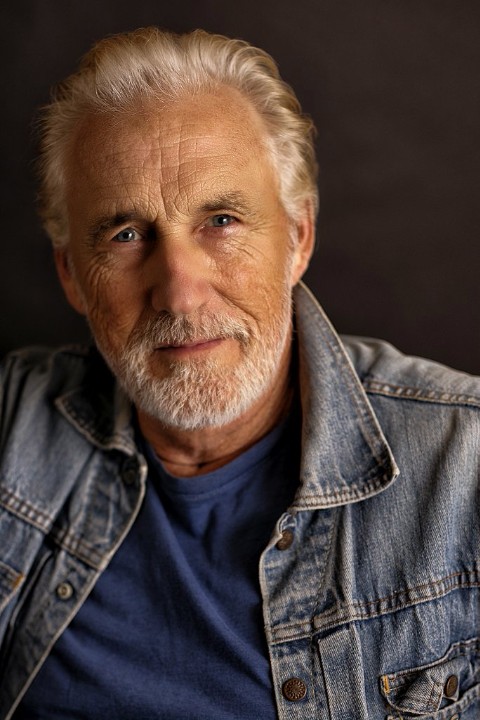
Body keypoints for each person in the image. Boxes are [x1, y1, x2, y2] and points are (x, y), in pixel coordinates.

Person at [0, 26, 479, 720]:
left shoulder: (465, 470)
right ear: (72, 273)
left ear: (299, 237)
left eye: (221, 220)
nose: (180, 294)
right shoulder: (13, 428)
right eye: (126, 235)